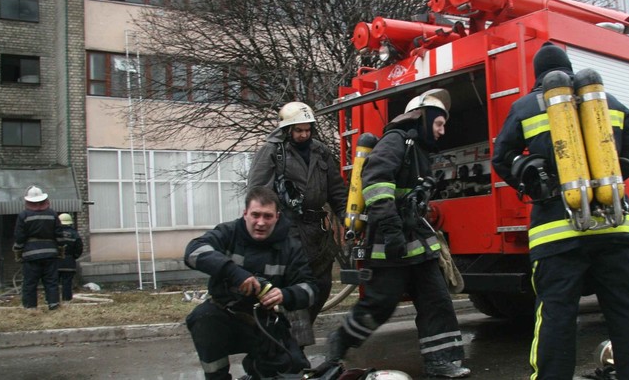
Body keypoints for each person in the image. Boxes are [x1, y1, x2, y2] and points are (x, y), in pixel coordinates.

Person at [491, 42, 629, 380]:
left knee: (555, 315)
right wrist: (608, 180)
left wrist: (532, 179)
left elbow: (500, 157)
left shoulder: (525, 106)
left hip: (557, 234)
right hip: (614, 227)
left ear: (539, 76)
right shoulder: (608, 102)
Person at [326, 89, 471, 379]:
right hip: (388, 241)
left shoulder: (418, 149)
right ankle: (339, 342)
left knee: (436, 300)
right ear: (423, 117)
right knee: (380, 304)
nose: (442, 131)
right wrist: (391, 230)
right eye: (439, 123)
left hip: (416, 237)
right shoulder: (395, 141)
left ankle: (442, 361)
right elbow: (376, 181)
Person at [184, 186, 318, 379]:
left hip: (267, 321)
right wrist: (234, 272)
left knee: (293, 367)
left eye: (267, 216)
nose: (261, 223)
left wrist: (285, 294)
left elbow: (311, 289)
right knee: (203, 317)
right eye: (255, 215)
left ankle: (257, 370)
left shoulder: (290, 246)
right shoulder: (227, 233)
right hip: (225, 317)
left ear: (277, 217)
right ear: (245, 213)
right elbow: (193, 252)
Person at [247, 102, 348, 330]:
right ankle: (292, 345)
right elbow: (257, 192)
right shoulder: (272, 151)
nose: (304, 135)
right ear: (287, 130)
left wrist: (344, 215)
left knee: (320, 286)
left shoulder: (320, 151)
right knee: (296, 286)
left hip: (317, 231)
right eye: (298, 130)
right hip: (287, 229)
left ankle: (297, 335)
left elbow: (336, 188)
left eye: (307, 130)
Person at [13, 185, 63, 310]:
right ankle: (53, 304)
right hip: (50, 253)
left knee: (30, 283)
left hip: (31, 255)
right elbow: (59, 234)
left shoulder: (24, 215)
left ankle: (30, 308)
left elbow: (19, 236)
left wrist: (18, 251)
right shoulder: (52, 214)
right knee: (51, 281)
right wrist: (61, 249)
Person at [56, 213, 83, 302]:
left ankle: (53, 301)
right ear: (70, 223)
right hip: (69, 263)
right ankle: (66, 300)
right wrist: (73, 257)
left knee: (53, 283)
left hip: (56, 263)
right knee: (67, 283)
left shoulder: (54, 233)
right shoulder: (74, 234)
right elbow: (79, 248)